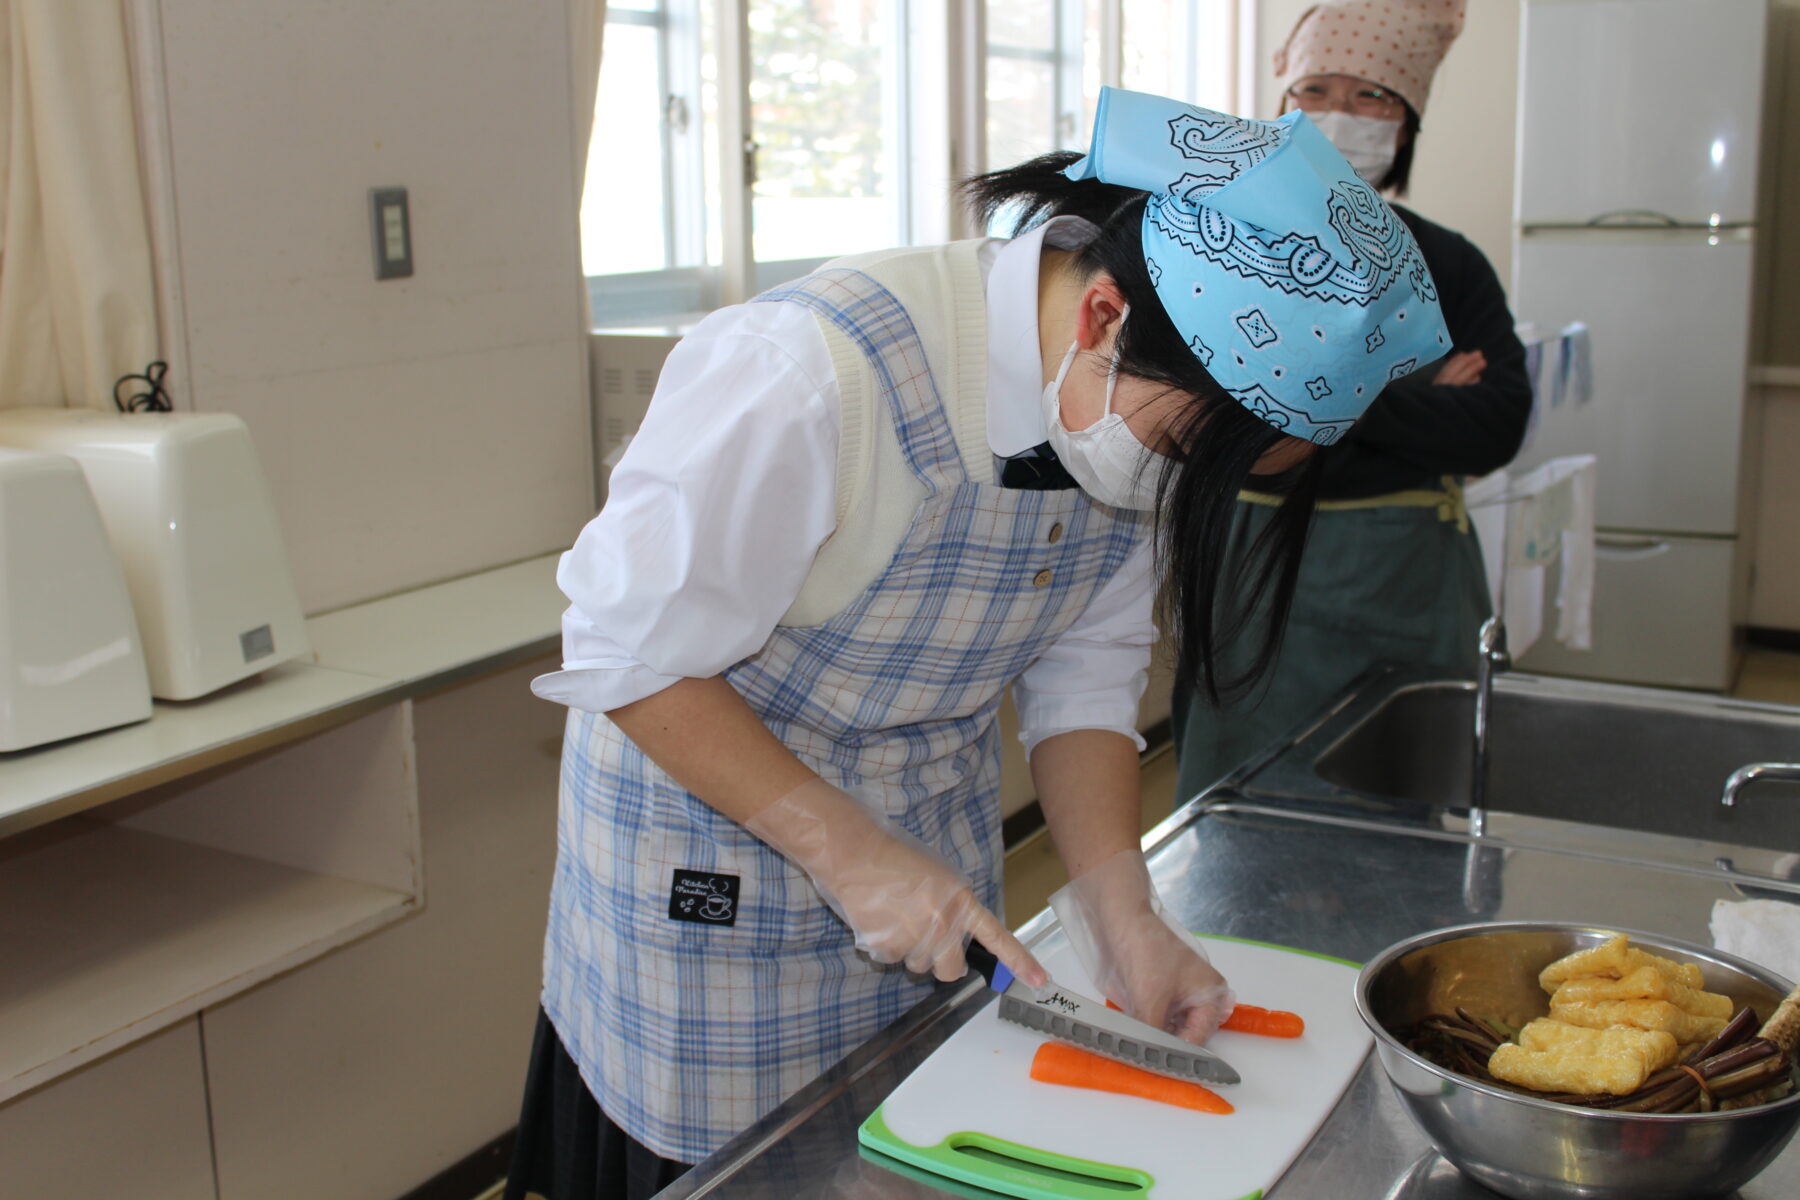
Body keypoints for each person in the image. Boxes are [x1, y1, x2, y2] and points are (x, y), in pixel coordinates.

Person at [504, 85, 1448, 1200]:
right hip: (716, 867)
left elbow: (1084, 680)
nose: (1187, 493)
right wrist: (845, 851)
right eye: (1194, 459)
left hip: (930, 872)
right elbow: (625, 652)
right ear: (1102, 315)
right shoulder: (812, 371)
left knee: (904, 1146)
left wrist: (1124, 916)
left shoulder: (1123, 406)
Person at [1174, 0, 1535, 802]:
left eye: (1372, 95)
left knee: (1411, 812)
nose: (1339, 115)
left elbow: (1498, 426)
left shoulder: (1448, 262)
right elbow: (1217, 414)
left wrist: (1317, 394)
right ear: (1280, 110)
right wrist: (1405, 398)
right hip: (1253, 576)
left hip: (1407, 587)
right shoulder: (1225, 245)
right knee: (1244, 820)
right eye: (1315, 90)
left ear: (1407, 124)